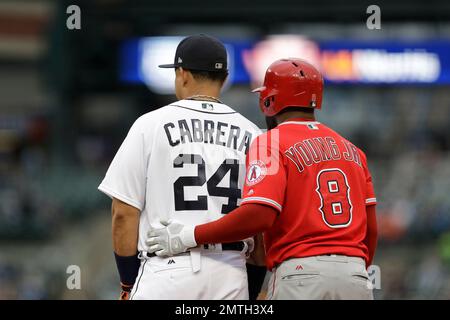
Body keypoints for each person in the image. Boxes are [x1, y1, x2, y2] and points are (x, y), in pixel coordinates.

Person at [146, 58, 378, 300]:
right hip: (356, 276)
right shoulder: (353, 151)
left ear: (269, 100)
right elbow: (370, 230)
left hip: (301, 275)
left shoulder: (270, 141)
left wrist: (190, 235)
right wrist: (353, 269)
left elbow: (259, 214)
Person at [98, 34, 263, 300]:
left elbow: (123, 213)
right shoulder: (254, 134)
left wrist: (128, 283)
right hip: (232, 270)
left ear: (183, 74)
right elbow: (260, 225)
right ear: (224, 78)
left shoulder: (149, 125)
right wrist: (250, 288)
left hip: (169, 269)